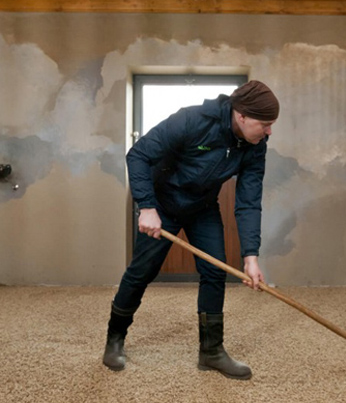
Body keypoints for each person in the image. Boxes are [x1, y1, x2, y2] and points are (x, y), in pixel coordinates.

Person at [103, 80, 279, 380]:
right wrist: (146, 207)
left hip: (202, 208)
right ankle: (114, 340)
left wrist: (251, 256)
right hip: (162, 203)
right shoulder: (192, 120)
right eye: (265, 124)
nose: (269, 132)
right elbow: (139, 155)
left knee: (214, 270)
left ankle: (211, 351)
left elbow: (249, 201)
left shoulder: (255, 146)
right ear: (242, 116)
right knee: (141, 271)